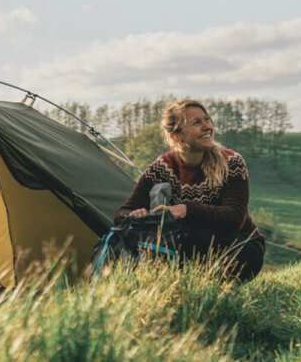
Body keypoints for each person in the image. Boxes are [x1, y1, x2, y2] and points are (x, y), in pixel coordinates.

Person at [114, 100, 265, 281]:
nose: (207, 127)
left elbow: (235, 217)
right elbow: (121, 214)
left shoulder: (232, 162)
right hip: (186, 252)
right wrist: (136, 215)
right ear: (176, 137)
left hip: (240, 249)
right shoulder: (161, 168)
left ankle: (210, 282)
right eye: (197, 123)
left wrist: (186, 209)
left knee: (200, 233)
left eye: (207, 120)